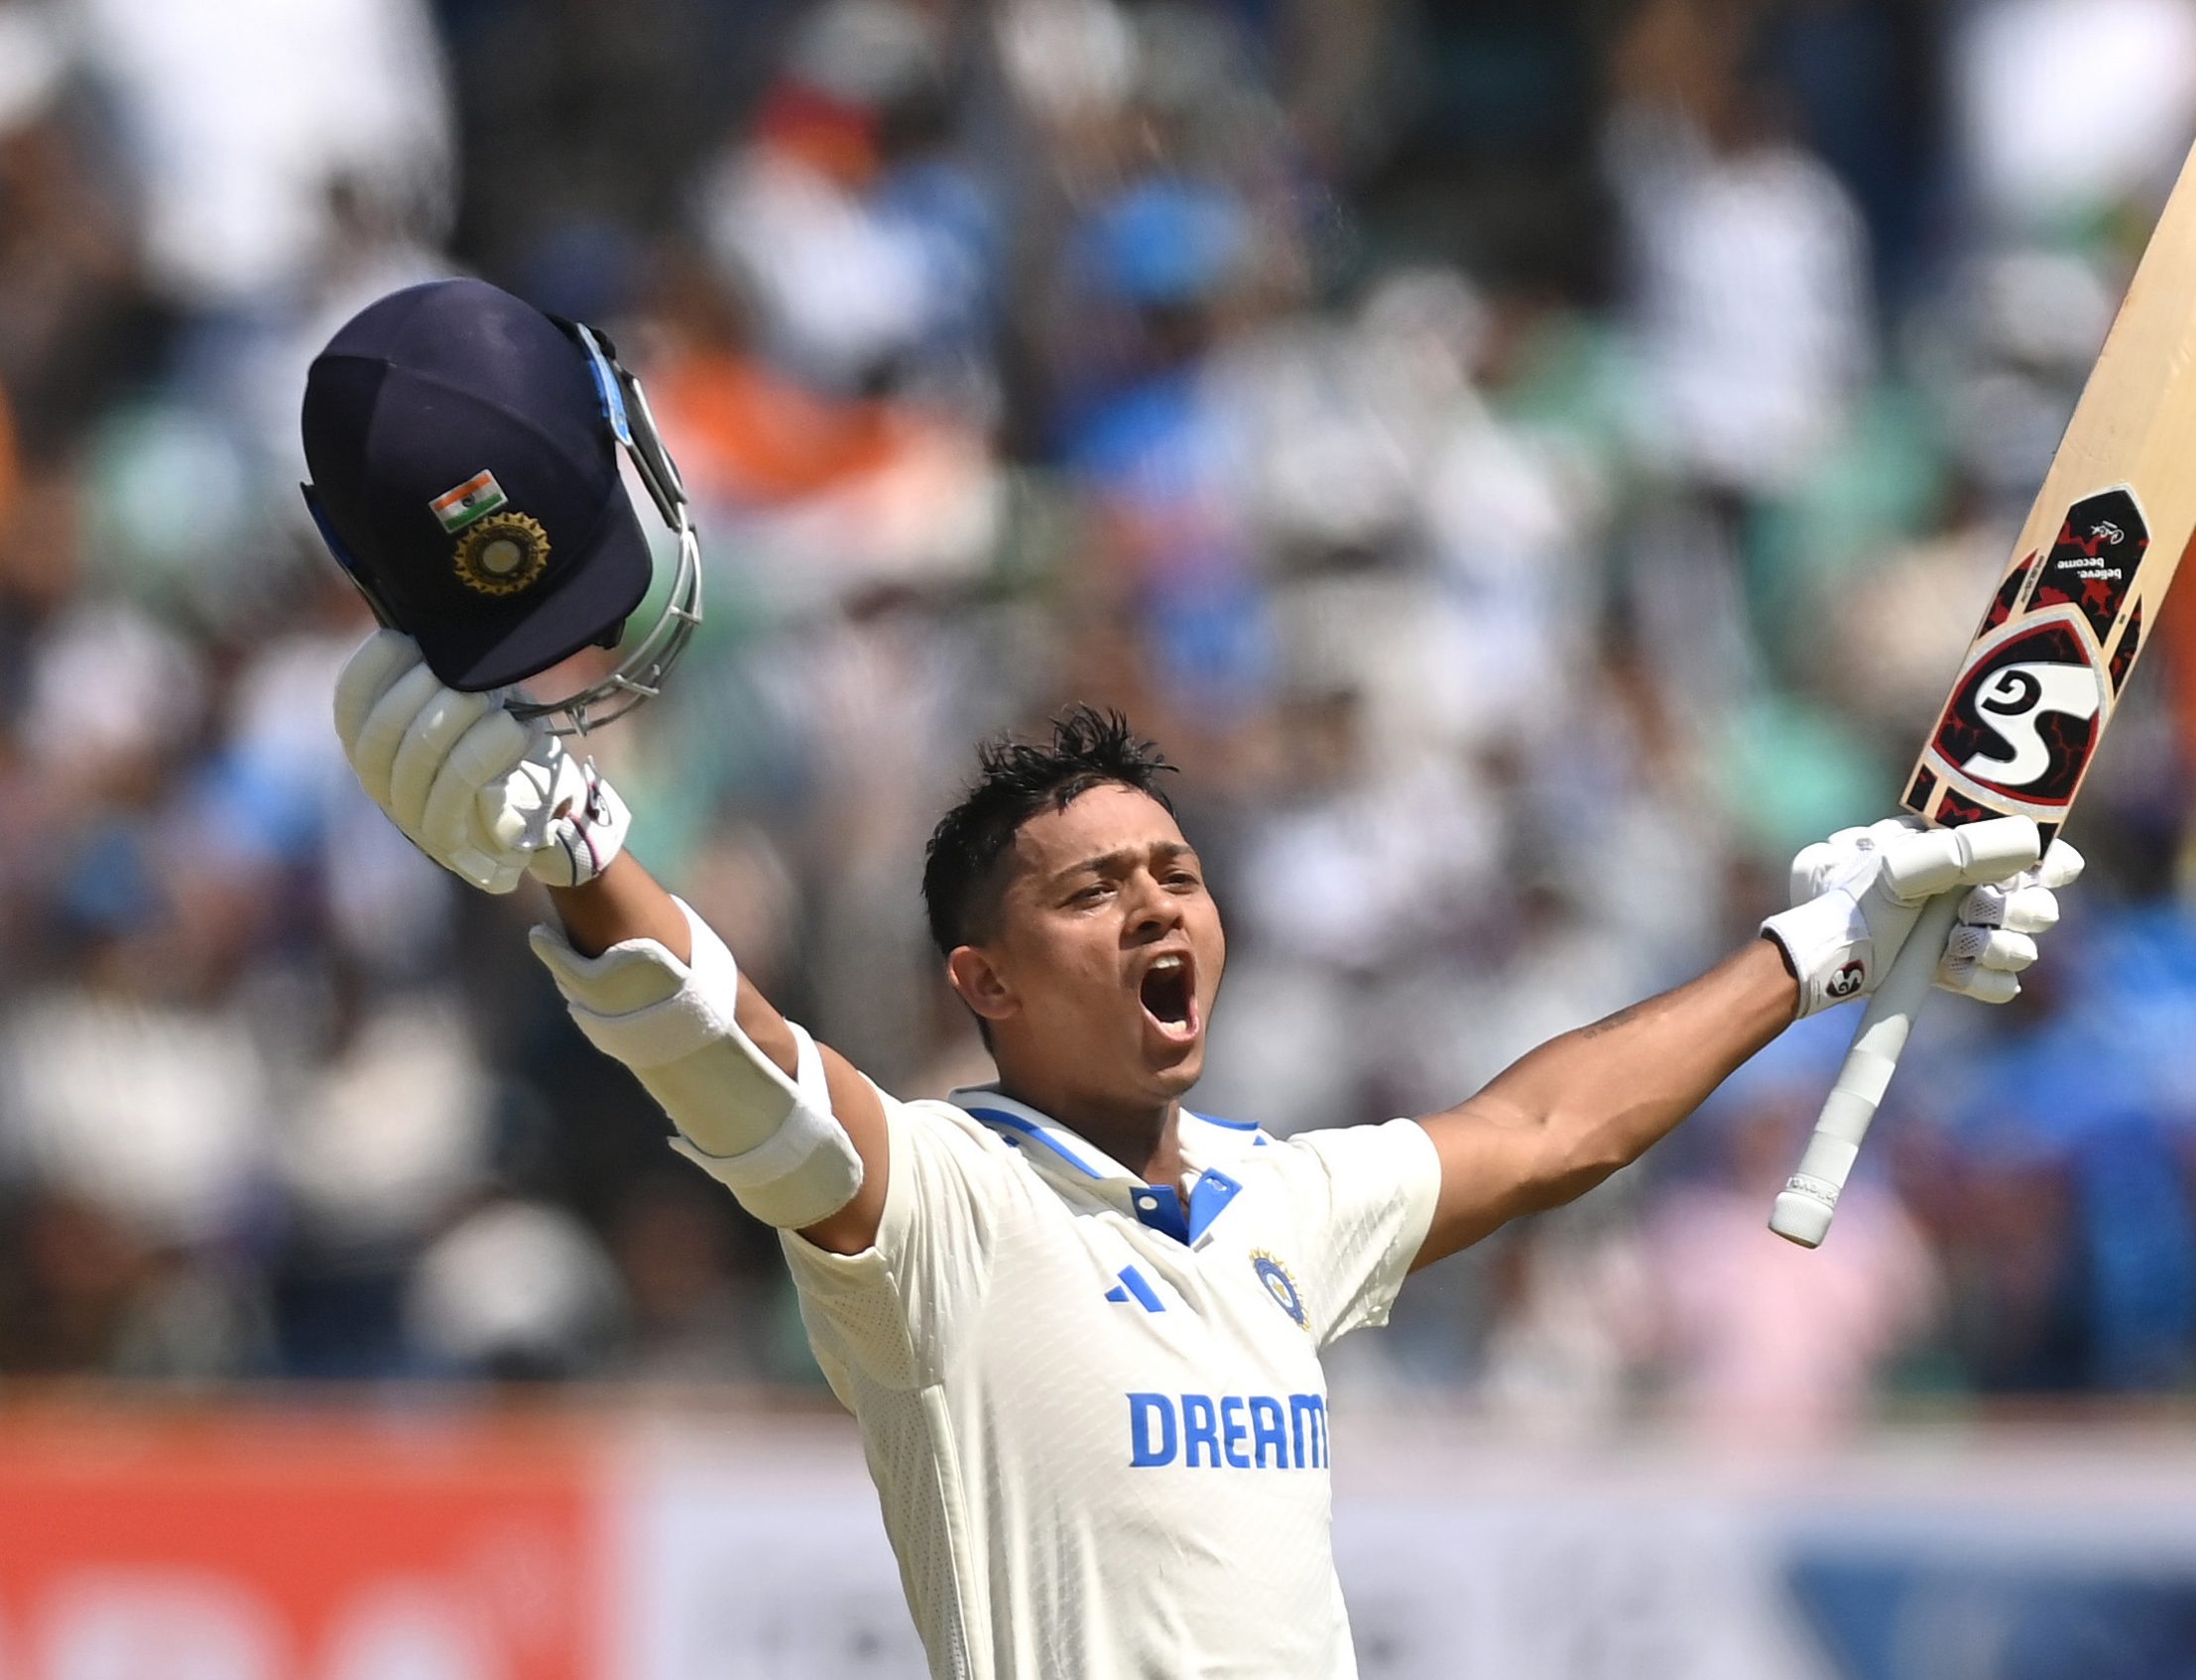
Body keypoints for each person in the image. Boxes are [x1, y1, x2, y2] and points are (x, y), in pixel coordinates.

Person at [306, 280, 2080, 1680]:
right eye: (1096, 891)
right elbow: (730, 1060)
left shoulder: (1273, 1203)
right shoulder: (943, 1208)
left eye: (1179, 874)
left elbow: (1545, 1125)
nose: (1163, 912)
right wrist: (567, 843)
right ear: (982, 979)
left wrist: (1820, 948)